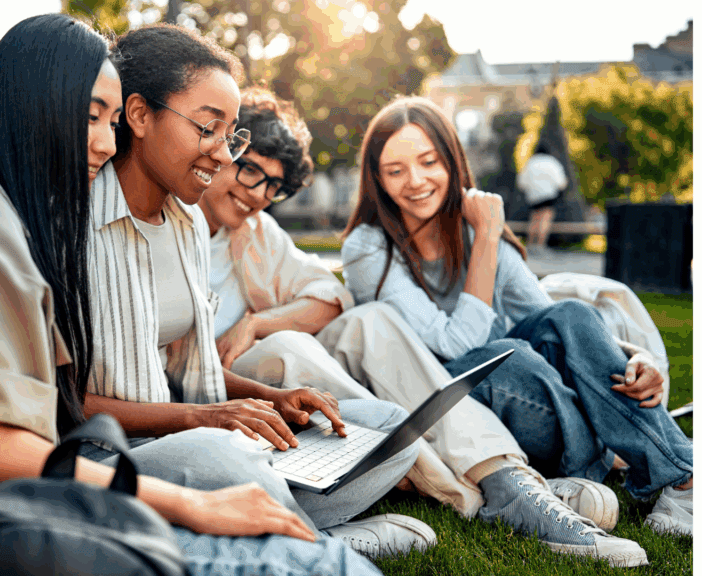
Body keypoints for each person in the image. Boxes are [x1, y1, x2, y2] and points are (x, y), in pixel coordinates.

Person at [0, 15, 382, 576]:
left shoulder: (8, 213)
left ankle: (317, 538)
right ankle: (326, 544)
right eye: (89, 118)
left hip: (15, 496)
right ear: (31, 107)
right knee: (329, 570)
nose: (106, 143)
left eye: (110, 120)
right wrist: (193, 503)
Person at [197, 86, 627, 541]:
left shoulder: (257, 233)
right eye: (249, 171)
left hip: (276, 384)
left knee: (371, 320)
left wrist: (256, 323)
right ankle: (475, 490)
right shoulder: (168, 227)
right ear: (222, 150)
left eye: (273, 186)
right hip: (215, 386)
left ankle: (503, 476)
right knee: (293, 345)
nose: (258, 194)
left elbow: (329, 297)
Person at [81, 24, 433, 559]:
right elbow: (64, 402)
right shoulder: (77, 223)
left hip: (197, 439)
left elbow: (185, 370)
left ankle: (272, 529)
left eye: (231, 136)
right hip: (118, 456)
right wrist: (208, 419)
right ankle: (317, 549)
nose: (223, 157)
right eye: (207, 129)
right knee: (220, 454)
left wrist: (270, 400)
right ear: (138, 115)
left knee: (387, 428)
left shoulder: (187, 225)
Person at [341, 95, 693, 565]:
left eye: (429, 161)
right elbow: (456, 346)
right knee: (508, 354)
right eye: (396, 169)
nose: (417, 181)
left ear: (451, 160)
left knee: (568, 313)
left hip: (543, 401)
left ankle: (683, 480)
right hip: (459, 405)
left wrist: (633, 357)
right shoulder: (368, 247)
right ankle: (610, 457)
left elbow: (558, 325)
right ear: (378, 180)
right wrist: (485, 238)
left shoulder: (473, 229)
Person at [516, 143, 568, 255]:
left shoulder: (530, 162)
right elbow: (561, 182)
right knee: (545, 219)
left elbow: (521, 183)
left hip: (533, 196)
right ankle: (540, 245)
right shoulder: (551, 162)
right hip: (548, 195)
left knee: (534, 219)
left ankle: (530, 244)